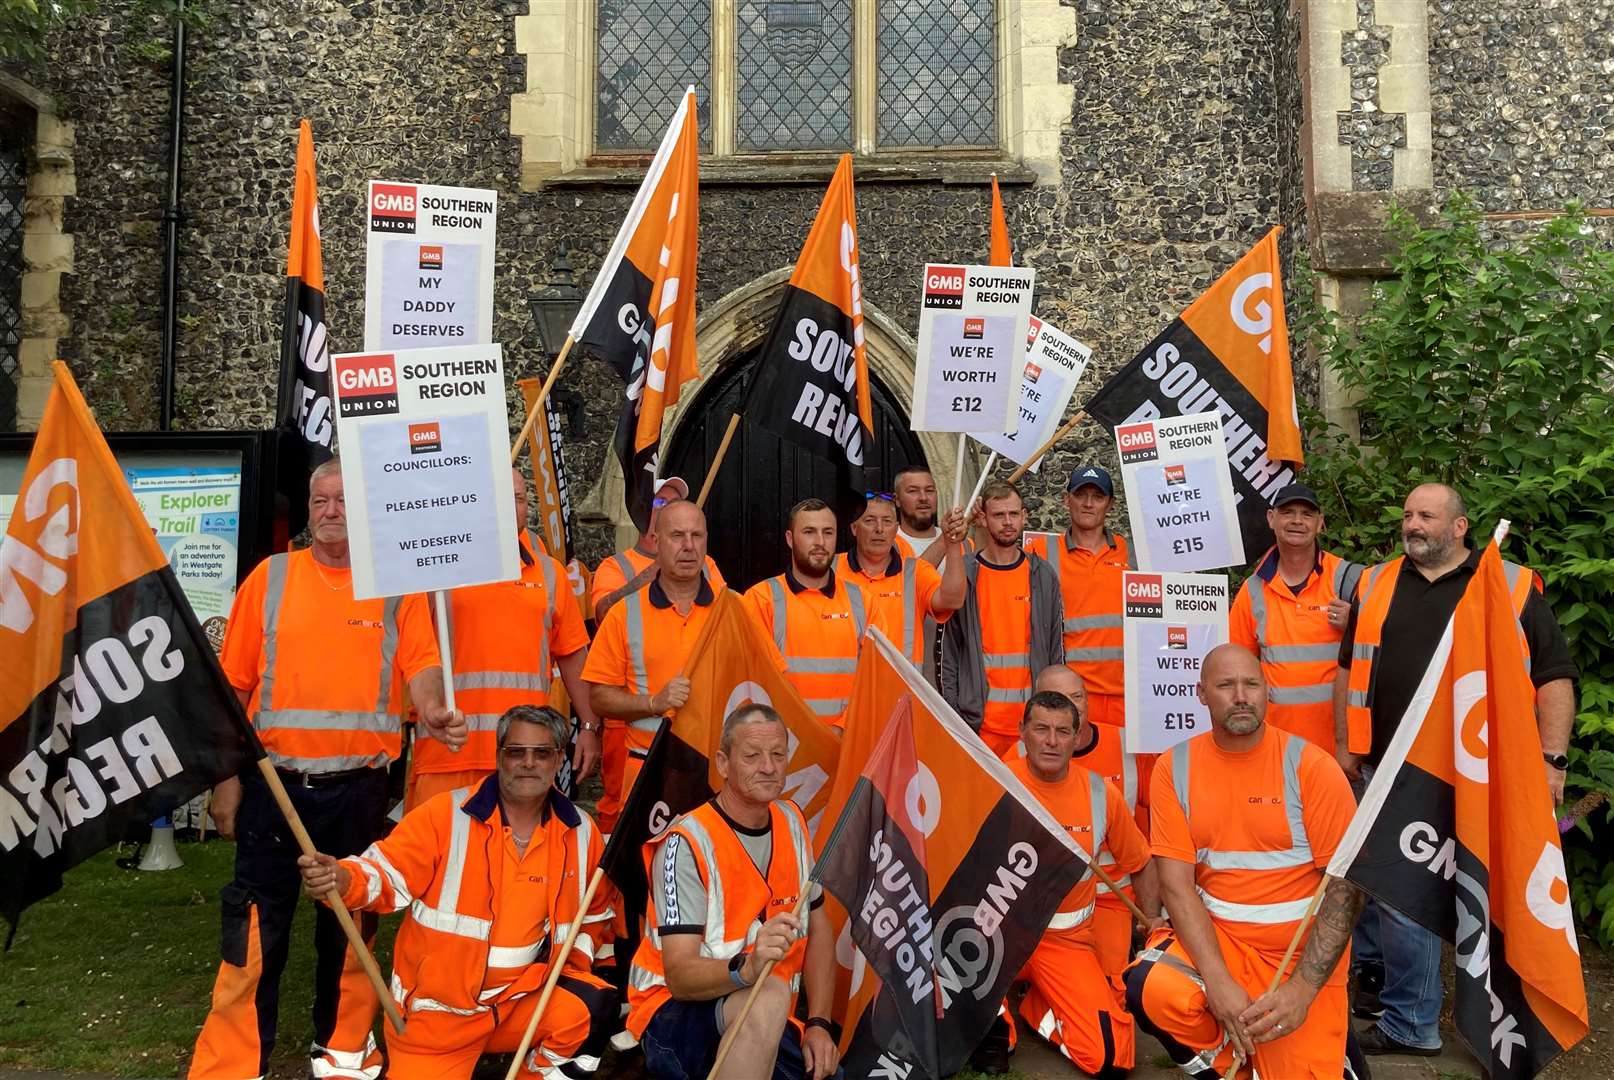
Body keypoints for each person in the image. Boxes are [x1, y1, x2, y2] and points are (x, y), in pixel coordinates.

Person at [190, 458, 466, 1080]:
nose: (331, 511)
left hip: (358, 792)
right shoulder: (269, 579)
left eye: (343, 500)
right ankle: (238, 1061)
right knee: (256, 928)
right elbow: (232, 692)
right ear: (309, 508)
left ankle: (340, 1049)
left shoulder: (396, 588)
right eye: (320, 501)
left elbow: (421, 668)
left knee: (351, 923)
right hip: (274, 790)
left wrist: (431, 710)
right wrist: (226, 781)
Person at [1332, 482, 1578, 1056]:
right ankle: (1402, 1008)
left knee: (1426, 898)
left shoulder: (1509, 585)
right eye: (1407, 515)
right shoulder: (1375, 581)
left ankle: (1421, 1020)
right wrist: (1345, 745)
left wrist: (1552, 761)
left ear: (1460, 527)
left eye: (1426, 516)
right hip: (1387, 768)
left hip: (1473, 776)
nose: (1412, 525)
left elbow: (1555, 678)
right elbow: (1348, 668)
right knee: (1387, 890)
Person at [296, 705, 615, 1079]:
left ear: (558, 759)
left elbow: (594, 913)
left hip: (524, 1001)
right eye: (516, 752)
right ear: (499, 756)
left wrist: (572, 970)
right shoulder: (444, 817)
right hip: (439, 1018)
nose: (529, 763)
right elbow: (383, 871)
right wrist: (342, 879)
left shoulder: (581, 832)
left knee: (592, 1008)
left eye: (542, 753)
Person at [1125, 645, 1366, 1080]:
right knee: (1152, 986)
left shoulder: (1311, 767)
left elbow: (1348, 891)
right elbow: (1177, 888)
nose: (1241, 695)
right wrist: (1217, 982)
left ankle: (1330, 1046)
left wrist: (1302, 990)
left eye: (1251, 684)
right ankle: (1232, 1067)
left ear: (1266, 691)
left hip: (1296, 960)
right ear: (1200, 694)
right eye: (1225, 685)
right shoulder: (1173, 768)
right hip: (1223, 947)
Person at [626, 704, 840, 1080]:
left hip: (765, 1017)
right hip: (674, 1015)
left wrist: (820, 1023)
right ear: (723, 764)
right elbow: (679, 977)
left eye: (778, 754)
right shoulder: (687, 844)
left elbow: (820, 928)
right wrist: (748, 968)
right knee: (770, 993)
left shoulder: (792, 821)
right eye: (752, 756)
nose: (769, 767)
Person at [978, 690, 1155, 1078]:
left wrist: (1152, 921)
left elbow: (1140, 863)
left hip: (1066, 942)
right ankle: (995, 1024)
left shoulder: (1099, 794)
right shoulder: (992, 782)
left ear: (1078, 738)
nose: (1052, 741)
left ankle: (1038, 1009)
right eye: (1041, 729)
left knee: (1111, 1059)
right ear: (1022, 732)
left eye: (1062, 731)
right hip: (996, 938)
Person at [408, 467, 601, 810]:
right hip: (450, 753)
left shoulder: (550, 574)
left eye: (519, 498)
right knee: (443, 862)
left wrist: (589, 725)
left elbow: (573, 655)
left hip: (525, 758)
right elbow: (409, 653)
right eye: (501, 497)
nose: (512, 506)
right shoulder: (436, 569)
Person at [584, 499, 721, 833]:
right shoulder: (625, 613)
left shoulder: (732, 610)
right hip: (647, 770)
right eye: (677, 535)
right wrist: (652, 703)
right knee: (643, 878)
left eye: (696, 536)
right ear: (656, 542)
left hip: (716, 774)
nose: (689, 546)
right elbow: (599, 698)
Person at [1027, 664, 1158, 980]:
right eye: (1058, 699)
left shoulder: (1129, 744)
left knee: (1110, 988)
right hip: (1044, 903)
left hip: (1113, 899)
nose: (1069, 707)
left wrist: (1153, 919)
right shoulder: (1016, 758)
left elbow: (1147, 847)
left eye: (1077, 697)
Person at [1226, 482, 1362, 755]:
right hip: (1274, 748)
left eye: (1307, 514)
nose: (1297, 521)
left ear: (1320, 523)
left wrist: (1357, 625)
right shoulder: (1253, 591)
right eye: (1288, 512)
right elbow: (1236, 668)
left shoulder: (1351, 579)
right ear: (1271, 519)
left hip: (1341, 750)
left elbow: (1386, 651)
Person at [940, 480, 1064, 756]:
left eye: (1013, 514)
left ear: (1024, 516)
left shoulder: (1042, 575)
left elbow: (1057, 649)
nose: (1008, 522)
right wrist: (955, 715)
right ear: (983, 518)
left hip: (1033, 727)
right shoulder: (967, 574)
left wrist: (1053, 715)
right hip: (979, 726)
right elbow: (948, 653)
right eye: (998, 515)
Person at [743, 499, 880, 725]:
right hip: (785, 747)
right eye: (809, 532)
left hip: (848, 746)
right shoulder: (761, 599)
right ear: (790, 539)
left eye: (828, 532)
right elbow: (755, 682)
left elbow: (877, 680)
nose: (820, 542)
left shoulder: (863, 602)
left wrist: (843, 729)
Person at [1023, 465, 1133, 729]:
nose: (1088, 504)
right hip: (1070, 696)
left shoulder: (1132, 554)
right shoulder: (1039, 552)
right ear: (1065, 499)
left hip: (1127, 696)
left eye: (1097, 497)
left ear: (1111, 505)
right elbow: (996, 571)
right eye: (1080, 495)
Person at [833, 490, 966, 674]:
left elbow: (953, 600)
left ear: (896, 529)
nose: (879, 528)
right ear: (854, 528)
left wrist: (952, 545)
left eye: (887, 521)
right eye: (870, 520)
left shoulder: (914, 572)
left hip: (900, 693)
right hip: (846, 692)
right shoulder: (831, 570)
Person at [590, 475, 725, 624]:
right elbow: (603, 615)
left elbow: (727, 613)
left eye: (675, 503)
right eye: (660, 501)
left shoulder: (705, 562)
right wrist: (658, 567)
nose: (668, 508)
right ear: (641, 511)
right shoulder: (616, 566)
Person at [891, 464, 946, 564]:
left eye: (929, 490)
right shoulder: (887, 543)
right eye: (913, 491)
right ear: (897, 499)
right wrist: (946, 539)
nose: (923, 498)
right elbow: (912, 578)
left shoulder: (963, 543)